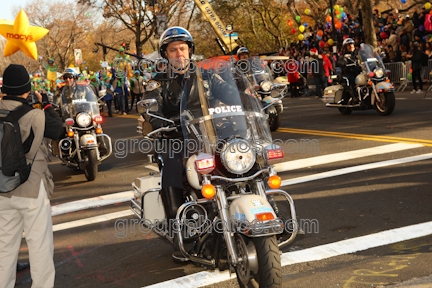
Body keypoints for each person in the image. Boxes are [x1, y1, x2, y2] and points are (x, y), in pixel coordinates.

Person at [144, 26, 242, 228]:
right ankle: (177, 225)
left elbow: (231, 94)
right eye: (173, 50)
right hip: (177, 136)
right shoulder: (158, 82)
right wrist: (160, 122)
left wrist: (242, 91)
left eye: (182, 48)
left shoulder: (206, 77)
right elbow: (151, 107)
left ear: (189, 50)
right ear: (165, 54)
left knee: (243, 155)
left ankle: (269, 208)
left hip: (210, 133)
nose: (178, 53)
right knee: (171, 166)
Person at [0, 64, 63, 288]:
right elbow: (59, 130)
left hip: (2, 189)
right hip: (32, 188)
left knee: (5, 248)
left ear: (3, 89)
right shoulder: (35, 115)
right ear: (27, 89)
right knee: (39, 247)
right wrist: (46, 103)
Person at [337, 38, 361, 103]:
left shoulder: (358, 53)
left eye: (352, 44)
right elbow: (340, 61)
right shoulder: (343, 54)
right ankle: (354, 97)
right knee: (348, 80)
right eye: (349, 45)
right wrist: (344, 63)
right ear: (345, 47)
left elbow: (365, 58)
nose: (351, 46)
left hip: (358, 71)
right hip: (348, 72)